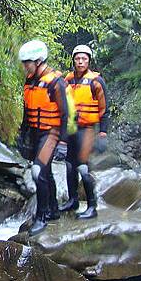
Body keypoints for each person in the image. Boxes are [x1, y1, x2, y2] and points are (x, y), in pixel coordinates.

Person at [16, 39, 70, 236]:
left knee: (38, 172)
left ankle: (42, 217)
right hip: (36, 132)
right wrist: (23, 134)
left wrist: (63, 142)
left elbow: (65, 115)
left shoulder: (55, 83)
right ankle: (53, 209)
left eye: (27, 62)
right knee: (45, 172)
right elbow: (27, 110)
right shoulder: (30, 80)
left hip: (52, 133)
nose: (25, 66)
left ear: (38, 61)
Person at [59, 44, 110, 219]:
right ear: (73, 60)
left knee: (82, 166)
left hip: (87, 129)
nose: (80, 62)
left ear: (89, 60)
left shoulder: (96, 81)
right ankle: (73, 200)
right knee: (69, 165)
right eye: (78, 58)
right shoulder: (68, 79)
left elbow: (104, 109)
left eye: (84, 59)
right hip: (71, 128)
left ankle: (92, 206)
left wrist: (103, 133)